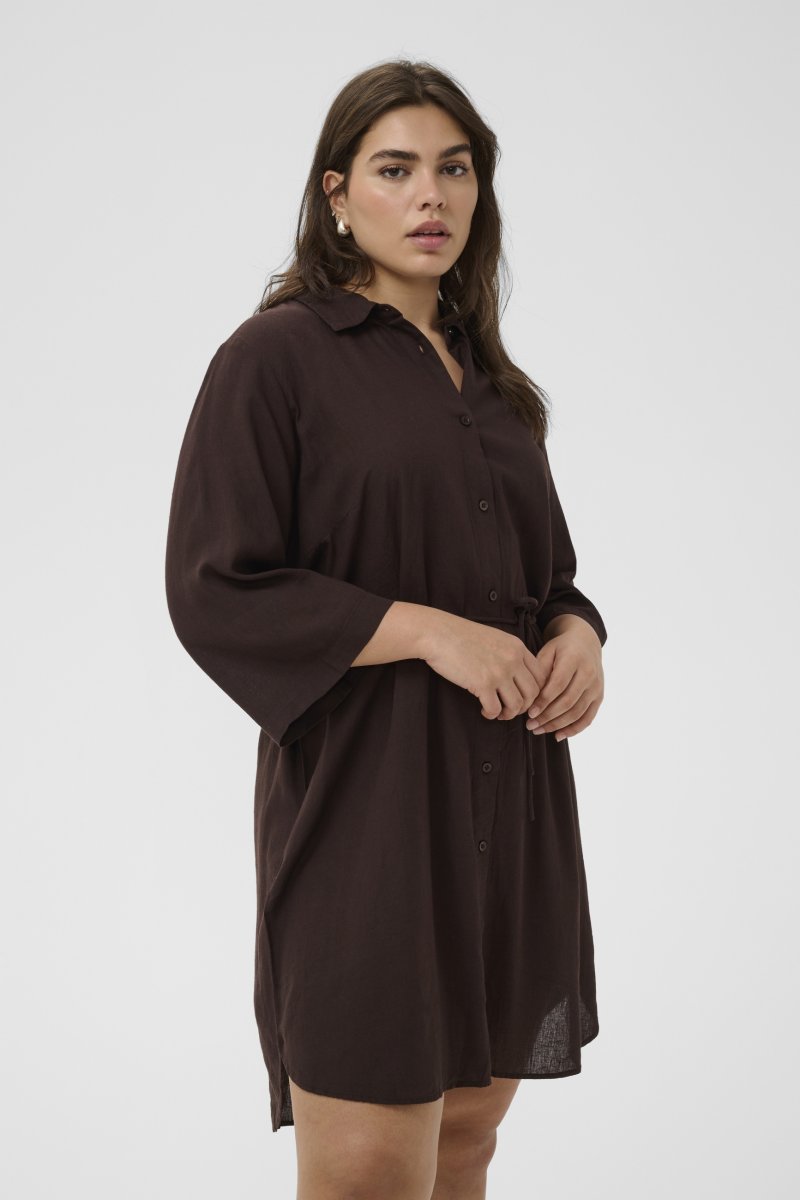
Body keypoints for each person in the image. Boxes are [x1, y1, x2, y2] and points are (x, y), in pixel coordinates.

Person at [165, 58, 608, 1200]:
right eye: (395, 170)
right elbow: (214, 585)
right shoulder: (274, 359)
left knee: (465, 1140)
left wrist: (577, 635)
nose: (430, 198)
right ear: (336, 194)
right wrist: (421, 630)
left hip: (510, 806)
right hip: (369, 811)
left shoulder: (492, 384)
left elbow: (549, 573)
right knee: (367, 1169)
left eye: (453, 170)